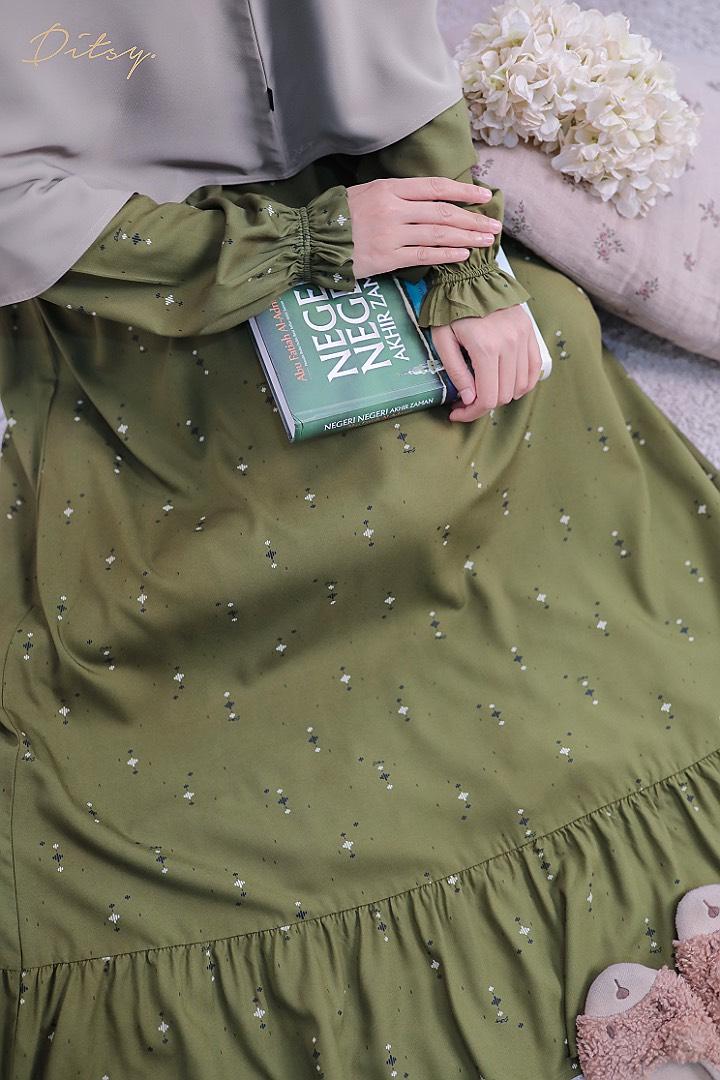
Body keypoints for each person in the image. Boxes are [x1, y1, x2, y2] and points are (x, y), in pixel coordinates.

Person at [1, 4, 719, 1078]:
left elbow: (382, 51)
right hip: (111, 291)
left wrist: (464, 270)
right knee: (145, 584)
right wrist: (293, 247)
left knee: (540, 373)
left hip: (350, 209)